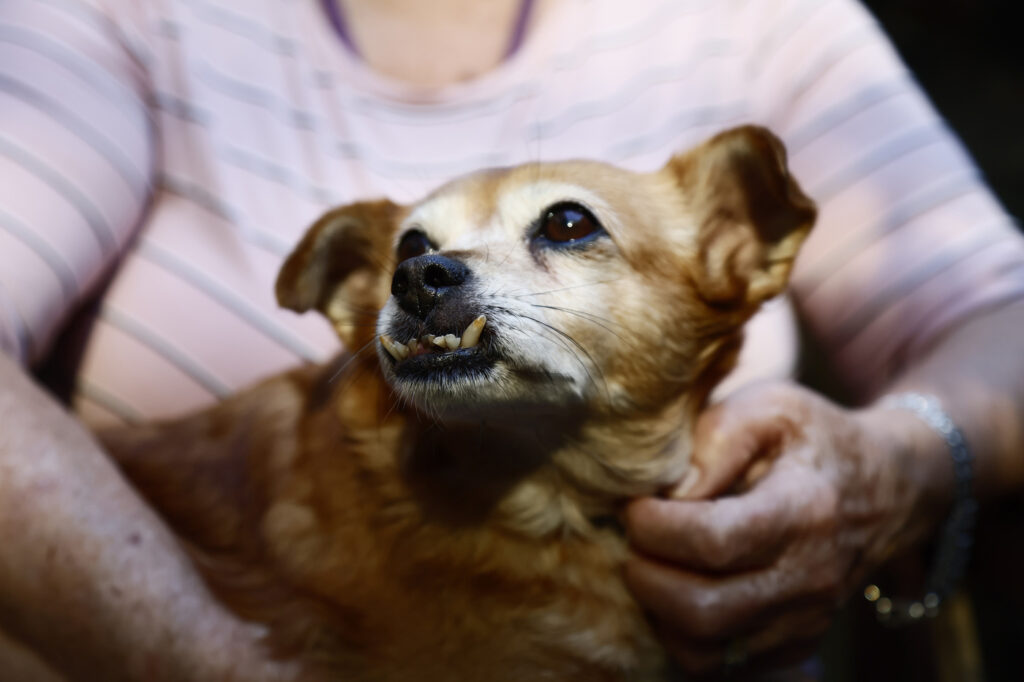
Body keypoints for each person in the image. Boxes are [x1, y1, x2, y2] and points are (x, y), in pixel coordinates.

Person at [0, 0, 1022, 679]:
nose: (433, 276)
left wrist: (893, 459)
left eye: (564, 228)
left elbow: (1000, 312)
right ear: (358, 306)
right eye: (414, 256)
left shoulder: (753, 18)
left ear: (731, 242)